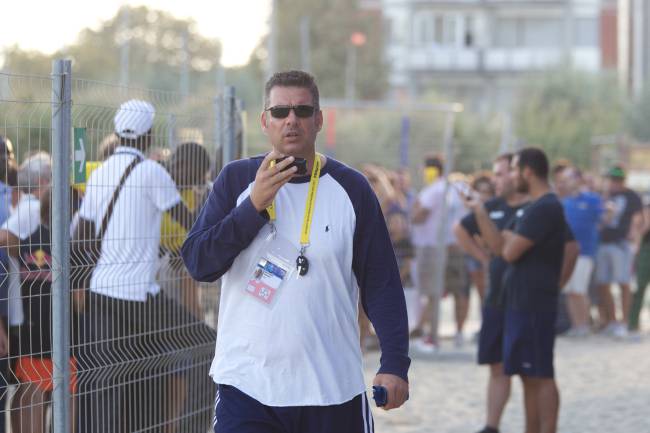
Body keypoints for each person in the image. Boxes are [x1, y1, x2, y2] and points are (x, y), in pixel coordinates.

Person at [181, 70, 410, 433]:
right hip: (247, 386)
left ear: (318, 120)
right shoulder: (237, 180)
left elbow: (381, 283)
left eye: (302, 111)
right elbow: (199, 263)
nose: (291, 120)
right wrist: (252, 207)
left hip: (332, 389)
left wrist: (395, 362)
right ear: (265, 121)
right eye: (280, 111)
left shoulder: (352, 188)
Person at [75, 99, 195, 433]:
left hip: (101, 291)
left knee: (107, 381)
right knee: (197, 345)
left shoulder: (99, 173)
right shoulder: (152, 171)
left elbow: (80, 235)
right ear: (149, 136)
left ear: (116, 132)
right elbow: (190, 222)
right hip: (140, 295)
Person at [463, 148, 578, 433]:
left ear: (528, 172)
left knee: (541, 375)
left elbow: (509, 251)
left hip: (534, 303)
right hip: (519, 302)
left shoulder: (545, 207)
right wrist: (480, 211)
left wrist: (556, 284)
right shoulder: (535, 207)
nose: (512, 176)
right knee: (529, 375)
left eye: (514, 170)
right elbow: (499, 244)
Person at [454, 153, 528, 433]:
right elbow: (460, 229)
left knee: (530, 371)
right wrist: (482, 258)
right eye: (495, 173)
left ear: (518, 173)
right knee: (496, 365)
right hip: (495, 297)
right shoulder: (492, 206)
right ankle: (491, 425)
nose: (496, 179)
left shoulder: (535, 207)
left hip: (524, 300)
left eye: (501, 173)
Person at [411, 156, 469, 351]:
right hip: (448, 245)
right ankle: (435, 332)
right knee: (449, 292)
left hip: (431, 247)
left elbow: (418, 216)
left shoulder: (434, 189)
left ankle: (430, 336)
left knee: (433, 292)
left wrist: (414, 209)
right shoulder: (451, 188)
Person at [595, 166, 644, 337]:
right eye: (612, 179)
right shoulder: (604, 195)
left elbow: (638, 219)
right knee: (603, 283)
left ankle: (624, 322)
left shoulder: (631, 196)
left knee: (624, 283)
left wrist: (634, 237)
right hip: (603, 243)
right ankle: (612, 321)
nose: (614, 183)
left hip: (621, 244)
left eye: (618, 180)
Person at [559, 167, 603, 337]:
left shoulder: (592, 199)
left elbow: (603, 219)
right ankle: (576, 325)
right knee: (570, 291)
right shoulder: (564, 201)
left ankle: (583, 325)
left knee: (579, 290)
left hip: (585, 252)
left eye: (568, 178)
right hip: (567, 253)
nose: (565, 182)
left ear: (578, 179)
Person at [628, 195, 650, 338]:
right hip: (646, 250)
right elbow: (640, 231)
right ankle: (632, 322)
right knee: (639, 287)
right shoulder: (646, 207)